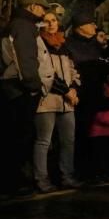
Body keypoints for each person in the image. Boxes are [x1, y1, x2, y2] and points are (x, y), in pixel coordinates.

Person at [1, 0, 50, 196]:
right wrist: (33, 85)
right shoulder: (24, 26)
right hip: (19, 88)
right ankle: (11, 184)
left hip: (12, 85)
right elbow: (25, 58)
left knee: (13, 136)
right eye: (41, 7)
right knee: (19, 137)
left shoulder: (15, 24)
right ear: (32, 7)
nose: (44, 12)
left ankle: (11, 182)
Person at [33, 11, 82, 192]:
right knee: (44, 141)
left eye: (53, 20)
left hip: (67, 100)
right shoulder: (39, 44)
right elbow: (45, 73)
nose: (51, 24)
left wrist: (75, 87)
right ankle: (41, 179)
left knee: (68, 140)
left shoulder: (64, 45)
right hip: (47, 99)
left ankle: (67, 176)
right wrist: (66, 90)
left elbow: (72, 69)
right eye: (47, 21)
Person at [65, 10, 109, 181]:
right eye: (90, 23)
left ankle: (95, 170)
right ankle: (80, 170)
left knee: (97, 136)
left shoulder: (96, 46)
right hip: (80, 97)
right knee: (80, 136)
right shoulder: (69, 45)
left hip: (97, 95)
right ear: (79, 27)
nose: (94, 26)